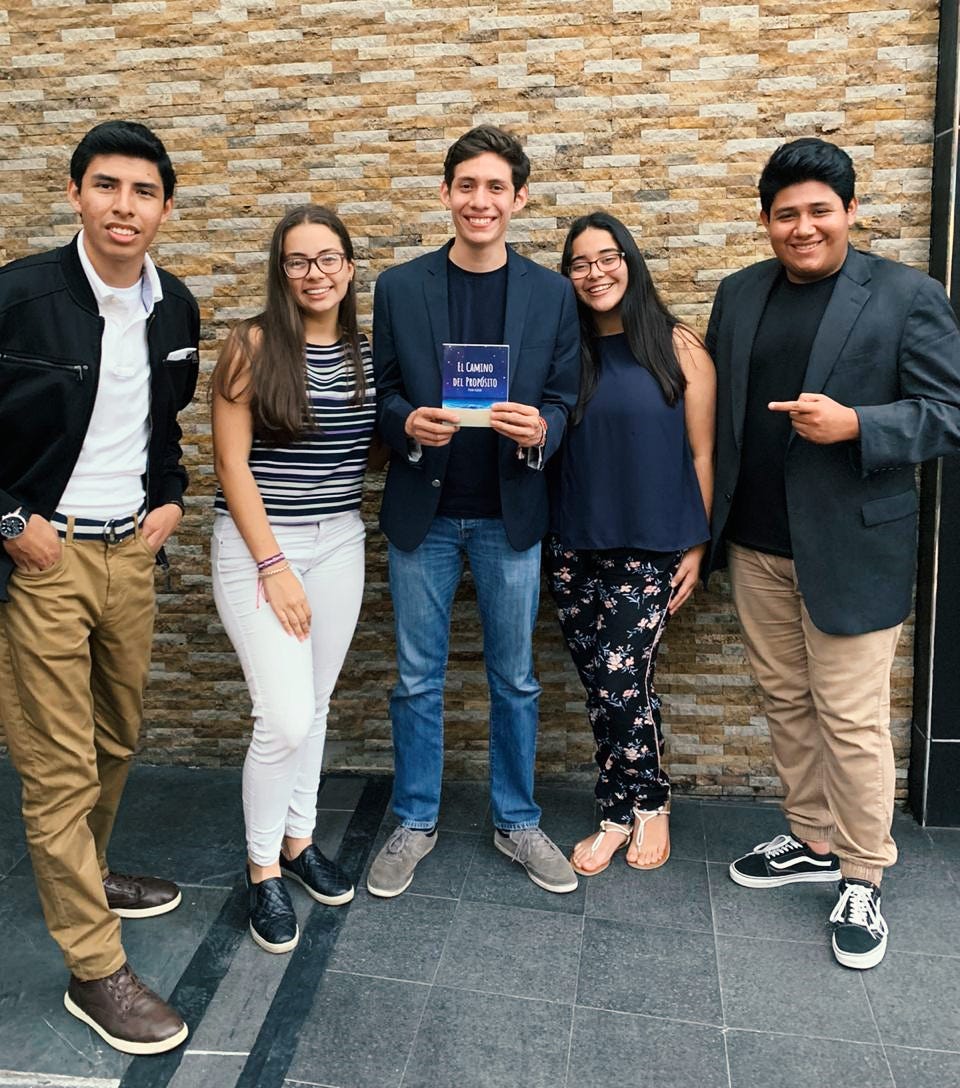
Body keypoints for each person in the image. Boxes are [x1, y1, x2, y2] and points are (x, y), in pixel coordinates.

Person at [707, 137, 960, 969]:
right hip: (756, 544)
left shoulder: (906, 296)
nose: (804, 226)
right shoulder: (739, 294)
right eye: (787, 214)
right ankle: (812, 840)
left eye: (820, 210)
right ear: (765, 221)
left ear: (851, 211)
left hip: (854, 548)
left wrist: (861, 425)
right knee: (785, 701)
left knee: (851, 721)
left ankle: (864, 871)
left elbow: (947, 414)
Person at [0, 120, 198, 1053]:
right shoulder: (19, 296)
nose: (126, 207)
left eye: (143, 192)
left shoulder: (176, 309)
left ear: (164, 206)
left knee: (118, 734)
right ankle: (95, 965)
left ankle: (92, 864)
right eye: (107, 187)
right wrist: (9, 523)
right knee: (57, 766)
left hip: (132, 557)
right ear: (77, 193)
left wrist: (171, 499)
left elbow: (165, 425)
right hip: (43, 560)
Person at [368, 124, 581, 898]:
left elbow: (562, 397)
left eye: (496, 187)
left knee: (515, 679)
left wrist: (543, 429)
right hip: (422, 512)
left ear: (519, 198)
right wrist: (404, 423)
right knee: (416, 678)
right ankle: (415, 819)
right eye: (467, 186)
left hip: (509, 515)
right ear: (446, 194)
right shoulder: (399, 287)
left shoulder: (552, 294)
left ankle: (516, 819)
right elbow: (383, 391)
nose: (480, 200)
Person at [211, 205, 373, 954]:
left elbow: (361, 453)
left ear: (348, 266)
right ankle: (262, 870)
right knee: (283, 717)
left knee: (316, 702)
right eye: (298, 261)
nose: (315, 274)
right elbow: (230, 463)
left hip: (340, 539)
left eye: (328, 258)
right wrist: (273, 565)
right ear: (281, 271)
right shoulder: (250, 344)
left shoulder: (362, 353)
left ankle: (301, 842)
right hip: (259, 547)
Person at [546, 212, 714, 876]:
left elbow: (703, 455)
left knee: (620, 681)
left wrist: (697, 546)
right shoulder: (563, 355)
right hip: (570, 544)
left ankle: (647, 805)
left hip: (650, 547)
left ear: (630, 261)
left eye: (607, 257)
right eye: (580, 263)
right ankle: (616, 810)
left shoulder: (679, 346)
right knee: (608, 685)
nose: (595, 272)